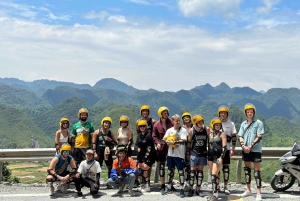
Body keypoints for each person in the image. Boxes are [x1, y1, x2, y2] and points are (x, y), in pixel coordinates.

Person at [238, 103, 264, 201]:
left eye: (251, 112)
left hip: (256, 150)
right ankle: (248, 190)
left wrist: (250, 146)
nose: (249, 113)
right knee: (247, 171)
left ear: (254, 112)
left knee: (257, 172)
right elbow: (240, 136)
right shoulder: (243, 124)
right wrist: (244, 146)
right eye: (248, 112)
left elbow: (259, 136)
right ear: (246, 113)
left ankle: (258, 193)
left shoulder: (259, 123)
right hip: (245, 150)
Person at [161, 114, 188, 198]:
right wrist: (166, 142)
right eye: (176, 120)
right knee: (170, 171)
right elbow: (163, 139)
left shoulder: (183, 130)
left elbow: (183, 141)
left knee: (181, 172)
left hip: (180, 155)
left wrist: (174, 142)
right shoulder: (169, 130)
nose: (178, 122)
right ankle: (168, 187)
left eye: (179, 120)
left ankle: (181, 189)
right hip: (170, 154)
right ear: (172, 121)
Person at [186, 115, 210, 197]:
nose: (201, 123)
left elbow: (210, 140)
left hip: (203, 153)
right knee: (192, 173)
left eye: (201, 121)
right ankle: (191, 189)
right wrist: (188, 153)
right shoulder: (191, 130)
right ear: (195, 123)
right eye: (199, 122)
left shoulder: (206, 129)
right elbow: (189, 142)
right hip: (194, 153)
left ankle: (198, 189)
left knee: (200, 173)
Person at [152, 106, 173, 192]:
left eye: (166, 112)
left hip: (171, 147)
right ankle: (162, 184)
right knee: (161, 167)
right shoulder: (156, 124)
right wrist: (157, 143)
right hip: (161, 149)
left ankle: (170, 184)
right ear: (160, 114)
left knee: (171, 167)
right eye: (164, 113)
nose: (166, 114)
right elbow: (154, 136)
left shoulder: (171, 122)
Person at [134, 104, 156, 187]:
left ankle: (147, 182)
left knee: (147, 166)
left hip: (149, 146)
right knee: (140, 165)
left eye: (146, 111)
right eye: (143, 111)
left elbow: (154, 133)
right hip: (142, 144)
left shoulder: (152, 121)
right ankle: (141, 182)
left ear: (148, 112)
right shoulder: (138, 122)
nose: (145, 112)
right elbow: (138, 132)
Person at [92, 116, 117, 189]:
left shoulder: (110, 133)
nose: (106, 124)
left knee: (110, 167)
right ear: (102, 123)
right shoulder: (97, 132)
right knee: (98, 167)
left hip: (107, 152)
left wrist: (111, 140)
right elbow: (93, 143)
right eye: (105, 123)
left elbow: (115, 143)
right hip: (99, 152)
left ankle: (109, 183)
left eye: (108, 123)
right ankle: (97, 182)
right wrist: (94, 153)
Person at [218, 105, 237, 195]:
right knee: (217, 168)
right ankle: (217, 185)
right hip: (217, 149)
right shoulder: (216, 122)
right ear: (219, 114)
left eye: (224, 113)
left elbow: (234, 137)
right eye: (221, 113)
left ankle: (226, 186)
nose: (223, 114)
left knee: (226, 168)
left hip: (227, 149)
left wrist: (233, 148)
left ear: (227, 114)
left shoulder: (231, 124)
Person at [207, 118, 227, 201]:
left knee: (213, 176)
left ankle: (215, 195)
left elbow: (224, 147)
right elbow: (209, 144)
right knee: (214, 174)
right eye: (216, 125)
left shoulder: (222, 134)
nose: (218, 126)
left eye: (219, 125)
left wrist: (221, 157)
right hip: (210, 156)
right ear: (213, 125)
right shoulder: (210, 134)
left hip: (217, 156)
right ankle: (215, 191)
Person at [181, 110, 193, 192]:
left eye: (188, 117)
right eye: (184, 117)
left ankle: (191, 182)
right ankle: (186, 182)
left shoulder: (194, 126)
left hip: (194, 149)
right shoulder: (182, 128)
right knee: (186, 166)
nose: (186, 119)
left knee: (192, 166)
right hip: (184, 149)